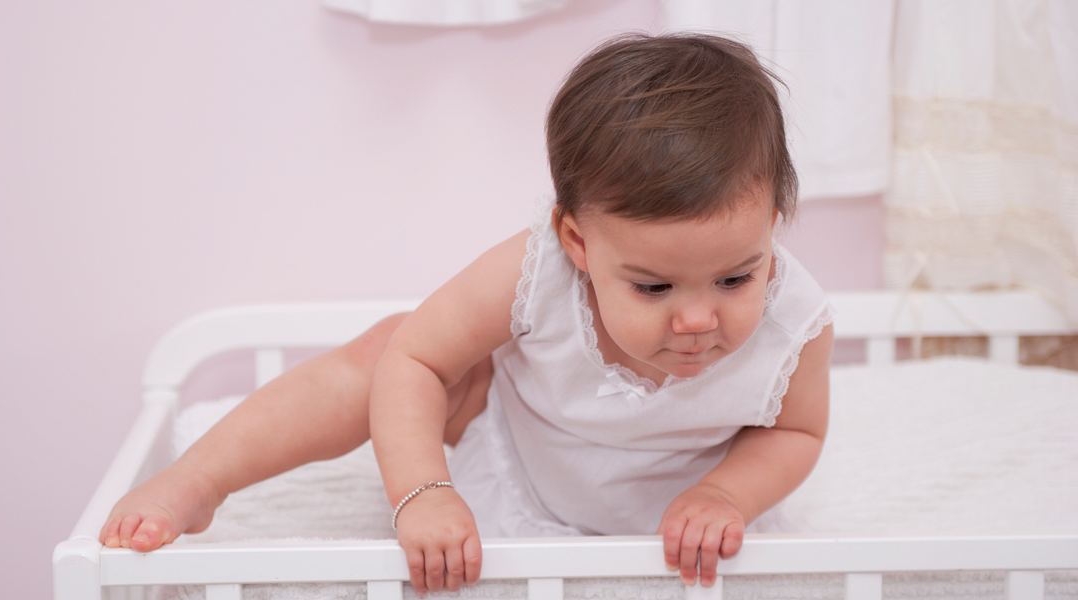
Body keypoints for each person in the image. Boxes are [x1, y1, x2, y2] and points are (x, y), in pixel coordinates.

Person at [100, 32, 834, 595]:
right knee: (392, 347)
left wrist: (724, 494)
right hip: (518, 455)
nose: (699, 320)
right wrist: (425, 491)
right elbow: (415, 359)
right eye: (653, 288)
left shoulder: (795, 321)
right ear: (576, 241)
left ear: (773, 220)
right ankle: (201, 479)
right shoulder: (535, 270)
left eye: (735, 278)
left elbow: (798, 429)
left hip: (684, 505)